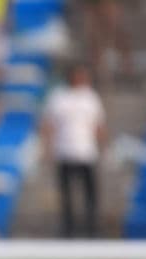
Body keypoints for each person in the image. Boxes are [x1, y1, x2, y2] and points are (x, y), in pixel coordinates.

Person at [40, 64, 106, 238]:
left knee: (90, 194)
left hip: (86, 152)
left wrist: (102, 146)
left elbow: (98, 125)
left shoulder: (91, 97)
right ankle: (68, 229)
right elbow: (48, 124)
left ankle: (91, 228)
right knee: (67, 194)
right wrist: (47, 148)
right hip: (64, 151)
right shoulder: (59, 97)